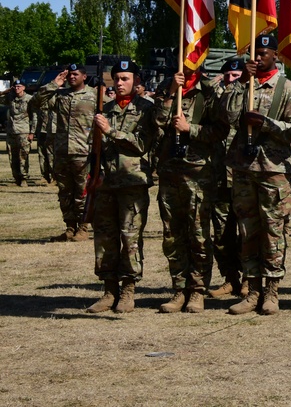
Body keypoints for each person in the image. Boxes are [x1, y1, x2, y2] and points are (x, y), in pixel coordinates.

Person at [220, 33, 291, 315]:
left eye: (263, 53)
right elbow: (226, 116)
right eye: (253, 53)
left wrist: (265, 123)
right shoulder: (244, 86)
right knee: (248, 232)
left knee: (273, 232)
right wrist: (242, 82)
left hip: (274, 172)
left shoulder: (288, 89)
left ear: (275, 56)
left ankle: (271, 292)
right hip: (244, 171)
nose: (257, 58)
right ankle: (251, 289)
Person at [153, 63, 228, 313]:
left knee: (198, 234)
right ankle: (178, 289)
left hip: (198, 173)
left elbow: (220, 130)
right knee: (172, 234)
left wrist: (190, 129)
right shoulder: (166, 87)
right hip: (169, 171)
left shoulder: (209, 91)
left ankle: (196, 291)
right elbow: (157, 123)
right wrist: (172, 92)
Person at [85, 60, 158, 314]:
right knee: (104, 237)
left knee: (130, 238)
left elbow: (142, 145)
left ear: (136, 80)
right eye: (116, 78)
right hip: (106, 183)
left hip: (132, 183)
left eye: (125, 78)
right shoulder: (105, 109)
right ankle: (108, 290)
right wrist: (91, 175)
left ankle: (128, 290)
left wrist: (111, 131)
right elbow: (94, 149)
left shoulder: (147, 109)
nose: (119, 83)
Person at [33, 64, 98, 242]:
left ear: (84, 76)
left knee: (82, 192)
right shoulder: (60, 96)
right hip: (61, 151)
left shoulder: (95, 95)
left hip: (83, 151)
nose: (71, 77)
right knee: (65, 192)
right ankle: (70, 227)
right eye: (69, 75)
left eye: (75, 74)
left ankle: (83, 227)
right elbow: (35, 102)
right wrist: (54, 83)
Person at [207, 58, 245, 299]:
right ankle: (230, 278)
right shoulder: (216, 98)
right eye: (228, 75)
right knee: (222, 233)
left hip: (244, 175)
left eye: (237, 74)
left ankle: (251, 280)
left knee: (247, 232)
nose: (232, 78)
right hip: (220, 175)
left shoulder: (249, 97)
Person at [5, 79, 35, 186]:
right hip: (11, 131)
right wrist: (7, 90)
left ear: (24, 87)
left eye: (19, 86)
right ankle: (16, 177)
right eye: (15, 86)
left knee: (23, 155)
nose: (17, 88)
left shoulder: (29, 99)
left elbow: (34, 116)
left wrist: (32, 132)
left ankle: (24, 178)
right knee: (12, 156)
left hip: (24, 131)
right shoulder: (10, 97)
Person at [31, 92, 56, 184]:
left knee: (52, 155)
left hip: (54, 130)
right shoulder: (38, 101)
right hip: (42, 130)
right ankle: (44, 176)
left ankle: (54, 177)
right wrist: (33, 131)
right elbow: (35, 116)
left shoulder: (57, 97)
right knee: (42, 154)